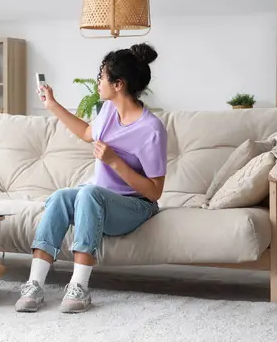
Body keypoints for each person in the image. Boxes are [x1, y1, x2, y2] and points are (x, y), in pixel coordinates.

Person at [15, 43, 168, 314]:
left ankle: (79, 286)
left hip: (136, 206)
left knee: (88, 192)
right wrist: (52, 104)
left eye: (102, 75)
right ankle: (34, 283)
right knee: (63, 197)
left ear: (118, 84)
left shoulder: (151, 129)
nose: (98, 81)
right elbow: (87, 133)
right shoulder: (108, 110)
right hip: (99, 201)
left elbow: (155, 192)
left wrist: (115, 163)